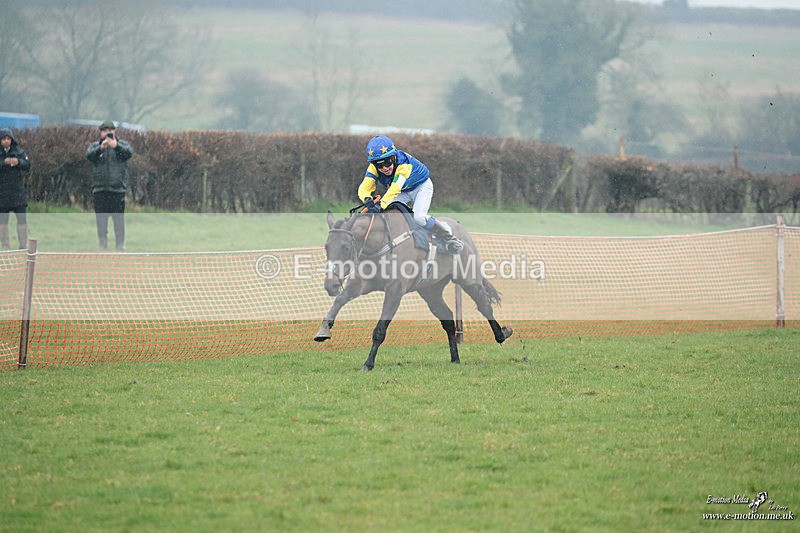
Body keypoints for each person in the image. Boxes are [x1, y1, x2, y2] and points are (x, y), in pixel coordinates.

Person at [357, 135, 463, 254]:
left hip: (421, 187)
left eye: (387, 162)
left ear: (394, 157)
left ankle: (447, 235)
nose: (384, 168)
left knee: (419, 217)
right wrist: (367, 199)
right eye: (379, 165)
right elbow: (364, 187)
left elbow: (395, 188)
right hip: (404, 191)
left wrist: (380, 204)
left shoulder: (404, 164)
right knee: (385, 215)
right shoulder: (373, 168)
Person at [85, 120, 133, 250]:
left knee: (118, 220)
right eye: (105, 130)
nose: (108, 133)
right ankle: (102, 242)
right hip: (100, 189)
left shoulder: (121, 145)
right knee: (101, 219)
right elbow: (89, 155)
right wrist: (101, 148)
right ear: (101, 132)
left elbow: (129, 153)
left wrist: (116, 146)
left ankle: (120, 243)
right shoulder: (96, 146)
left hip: (117, 189)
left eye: (110, 130)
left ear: (114, 131)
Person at [0, 128, 31, 250]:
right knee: (3, 221)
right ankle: (5, 246)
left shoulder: (18, 151)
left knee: (22, 219)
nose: (6, 141)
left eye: (8, 139)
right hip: (2, 192)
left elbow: (27, 165)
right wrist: (4, 162)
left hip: (17, 192)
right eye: (3, 139)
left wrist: (18, 162)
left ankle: (23, 245)